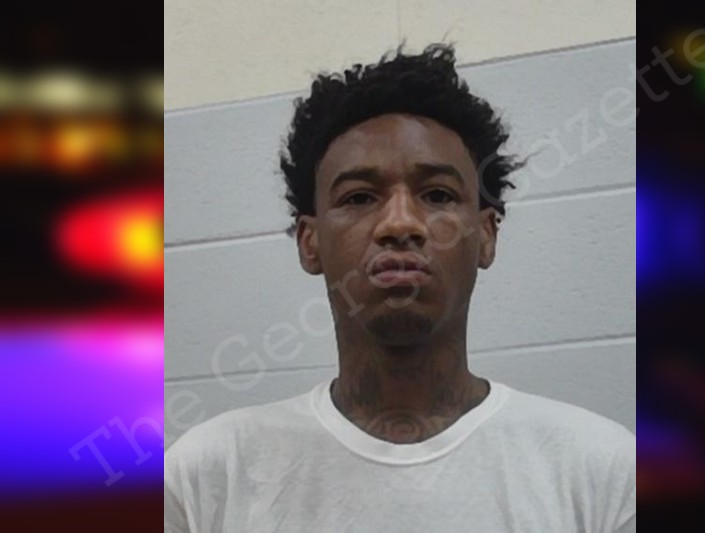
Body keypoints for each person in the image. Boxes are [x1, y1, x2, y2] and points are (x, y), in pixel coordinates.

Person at [164, 43, 636, 532]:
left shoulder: (602, 473)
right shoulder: (208, 477)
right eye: (359, 197)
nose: (400, 223)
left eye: (437, 194)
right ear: (310, 242)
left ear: (486, 235)